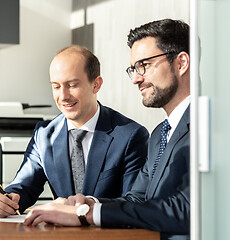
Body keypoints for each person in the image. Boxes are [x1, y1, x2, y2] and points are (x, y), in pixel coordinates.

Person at [24, 19, 191, 240]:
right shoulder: (160, 133)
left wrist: (88, 215)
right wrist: (87, 204)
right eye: (134, 68)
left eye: (145, 65)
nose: (136, 79)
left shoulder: (211, 127)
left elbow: (187, 209)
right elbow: (137, 200)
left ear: (180, 63)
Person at [0, 45, 149, 218]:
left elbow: (134, 202)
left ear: (96, 84)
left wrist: (86, 209)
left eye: (72, 85)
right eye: (56, 87)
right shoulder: (44, 134)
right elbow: (24, 186)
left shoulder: (130, 135)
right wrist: (8, 200)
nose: (63, 96)